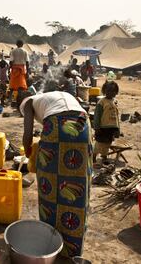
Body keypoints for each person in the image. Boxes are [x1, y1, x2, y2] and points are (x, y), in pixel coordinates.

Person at [20, 90, 92, 257]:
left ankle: (51, 243)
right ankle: (72, 248)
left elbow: (27, 134)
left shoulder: (28, 103)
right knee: (79, 179)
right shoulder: (51, 97)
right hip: (83, 123)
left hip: (58, 124)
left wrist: (28, 152)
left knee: (50, 182)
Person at [93, 81, 120, 163]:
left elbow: (116, 116)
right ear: (105, 91)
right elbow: (97, 116)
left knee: (108, 143)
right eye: (108, 91)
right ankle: (93, 156)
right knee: (99, 142)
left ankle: (104, 156)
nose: (111, 93)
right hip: (102, 127)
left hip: (111, 127)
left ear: (116, 92)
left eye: (113, 91)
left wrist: (117, 128)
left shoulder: (114, 102)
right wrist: (97, 127)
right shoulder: (101, 102)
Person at [9, 40, 29, 105]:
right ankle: (20, 100)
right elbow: (27, 62)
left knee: (12, 85)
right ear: (22, 44)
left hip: (14, 69)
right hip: (22, 69)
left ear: (16, 44)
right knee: (21, 85)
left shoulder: (13, 51)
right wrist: (27, 72)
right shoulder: (25, 51)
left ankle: (10, 99)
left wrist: (10, 69)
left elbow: (11, 61)